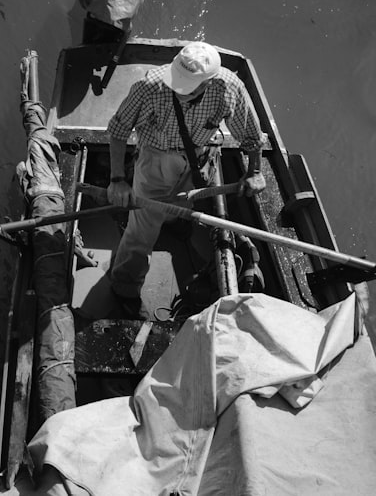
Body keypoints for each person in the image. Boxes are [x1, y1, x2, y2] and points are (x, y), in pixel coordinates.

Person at [105, 41, 266, 316]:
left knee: (186, 208)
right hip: (155, 159)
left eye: (187, 85)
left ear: (208, 82)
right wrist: (117, 179)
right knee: (141, 230)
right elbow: (118, 130)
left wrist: (255, 172)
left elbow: (251, 135)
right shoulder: (150, 86)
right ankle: (124, 287)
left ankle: (172, 222)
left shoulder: (228, 87)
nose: (177, 89)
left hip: (199, 159)